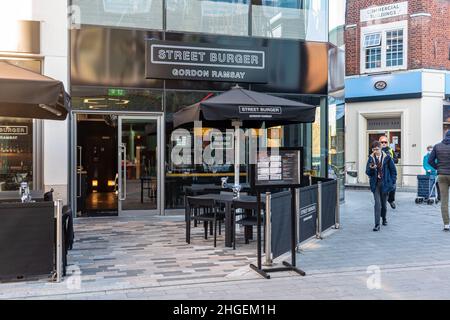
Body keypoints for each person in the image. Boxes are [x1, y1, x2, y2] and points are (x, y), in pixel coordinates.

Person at [366, 141, 397, 231]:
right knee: (377, 204)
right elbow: (367, 172)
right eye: (374, 149)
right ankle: (377, 224)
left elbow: (393, 171)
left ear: (381, 149)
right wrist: (372, 169)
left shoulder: (387, 158)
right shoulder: (371, 158)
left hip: (385, 184)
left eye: (377, 149)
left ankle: (384, 218)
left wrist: (392, 182)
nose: (375, 151)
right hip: (375, 184)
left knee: (383, 204)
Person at [428, 130, 450, 231]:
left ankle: (446, 224)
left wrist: (438, 168)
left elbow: (430, 161)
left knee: (444, 201)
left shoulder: (437, 146)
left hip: (441, 175)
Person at [379, 136, 398, 209]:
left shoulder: (391, 150)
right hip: (380, 173)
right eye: (382, 142)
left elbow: (396, 160)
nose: (383, 143)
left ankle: (391, 200)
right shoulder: (377, 150)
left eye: (385, 142)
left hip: (389, 172)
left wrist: (390, 159)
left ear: (387, 143)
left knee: (393, 186)